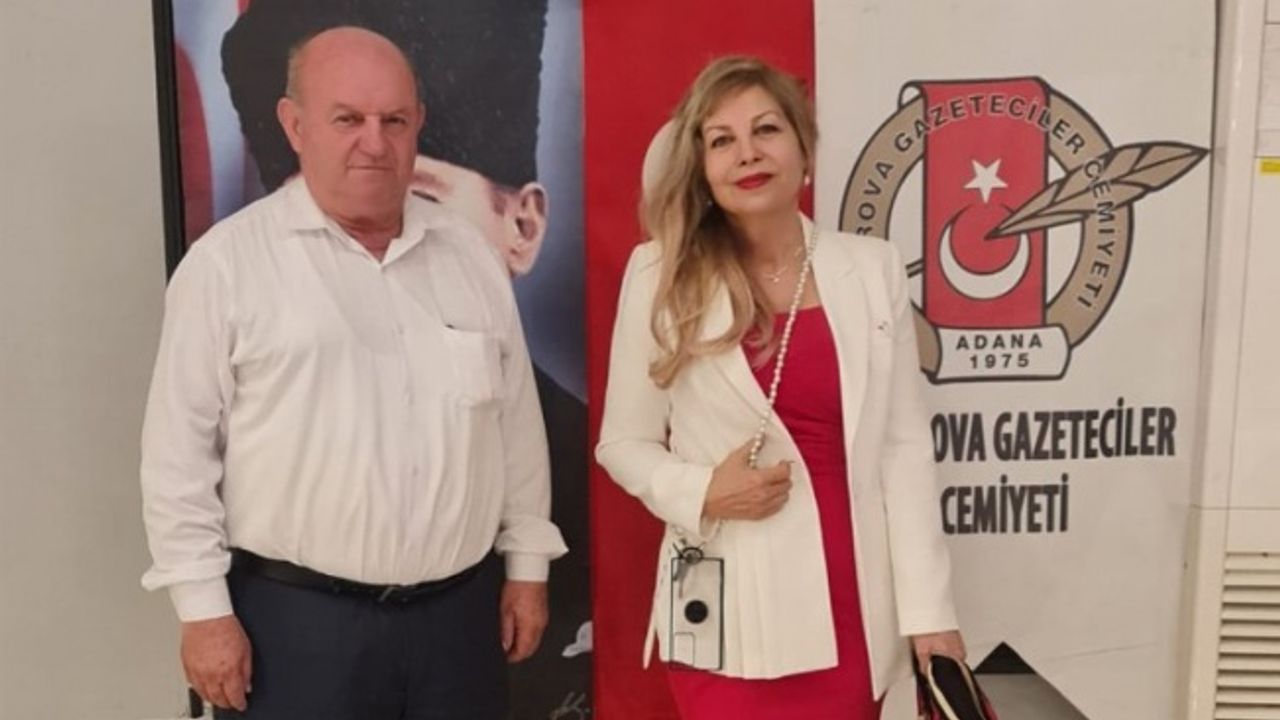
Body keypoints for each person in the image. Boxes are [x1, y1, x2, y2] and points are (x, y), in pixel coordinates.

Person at [140, 27, 566, 719]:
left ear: (417, 123)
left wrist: (527, 566)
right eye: (347, 119)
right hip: (295, 625)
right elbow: (177, 458)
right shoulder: (227, 266)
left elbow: (515, 426)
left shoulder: (468, 257)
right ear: (295, 124)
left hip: (459, 623)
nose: (374, 142)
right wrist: (203, 611)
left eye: (393, 120)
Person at [595, 56, 965, 719]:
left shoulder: (871, 268)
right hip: (727, 607)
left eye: (766, 129)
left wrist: (930, 616)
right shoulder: (658, 274)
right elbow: (623, 443)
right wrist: (702, 491)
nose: (748, 153)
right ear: (702, 167)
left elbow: (904, 453)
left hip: (852, 608)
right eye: (722, 139)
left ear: (804, 149)